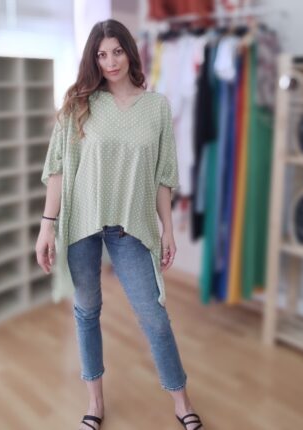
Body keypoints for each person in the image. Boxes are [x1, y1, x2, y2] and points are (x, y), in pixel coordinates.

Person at [36, 19, 205, 430]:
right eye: (101, 54)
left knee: (154, 317)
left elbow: (163, 176)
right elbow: (58, 169)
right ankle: (95, 402)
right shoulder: (79, 104)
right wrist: (46, 226)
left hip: (132, 225)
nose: (110, 62)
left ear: (130, 52)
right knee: (87, 311)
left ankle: (181, 402)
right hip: (82, 222)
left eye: (116, 51)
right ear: (93, 59)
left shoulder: (157, 107)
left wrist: (167, 229)